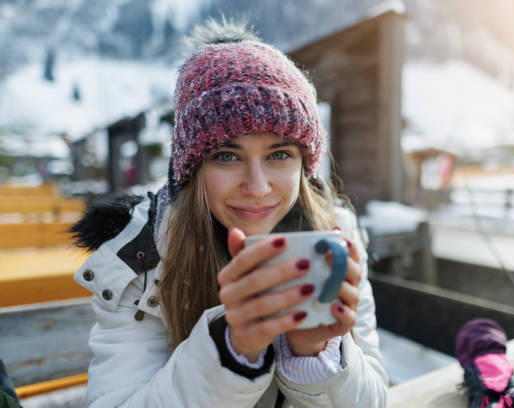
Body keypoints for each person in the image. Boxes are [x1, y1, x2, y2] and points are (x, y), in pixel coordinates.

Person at [71, 18, 388, 407]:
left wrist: (315, 354)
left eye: (279, 154)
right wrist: (231, 349)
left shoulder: (338, 236)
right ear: (192, 168)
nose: (256, 187)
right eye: (226, 156)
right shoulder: (139, 259)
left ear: (303, 165)